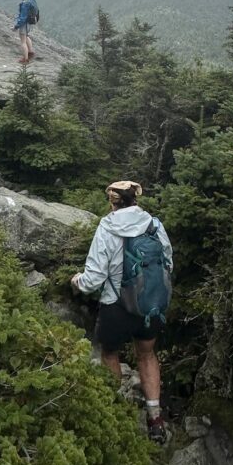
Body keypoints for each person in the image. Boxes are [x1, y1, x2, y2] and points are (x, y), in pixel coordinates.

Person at [71, 180, 173, 443]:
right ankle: (155, 419)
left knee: (109, 353)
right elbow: (168, 263)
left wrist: (76, 281)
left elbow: (93, 279)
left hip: (116, 307)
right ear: (136, 200)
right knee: (147, 354)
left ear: (112, 202)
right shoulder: (154, 225)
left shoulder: (107, 227)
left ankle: (116, 414)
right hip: (149, 307)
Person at [13, 0, 37, 64]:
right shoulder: (31, 0)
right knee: (27, 36)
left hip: (24, 24)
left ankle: (25, 59)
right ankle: (31, 52)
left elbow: (22, 18)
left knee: (23, 42)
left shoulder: (24, 4)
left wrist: (16, 27)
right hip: (30, 22)